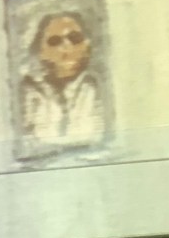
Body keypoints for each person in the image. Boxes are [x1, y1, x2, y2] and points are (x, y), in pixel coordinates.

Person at [19, 11, 105, 149]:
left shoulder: (96, 88)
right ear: (41, 52)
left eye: (74, 38)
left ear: (86, 46)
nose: (66, 47)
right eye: (55, 41)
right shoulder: (30, 91)